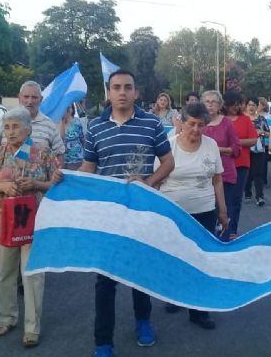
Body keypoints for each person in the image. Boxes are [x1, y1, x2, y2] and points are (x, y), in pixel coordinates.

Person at [80, 69, 175, 357]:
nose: (122, 92)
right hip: (108, 215)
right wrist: (67, 182)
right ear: (108, 92)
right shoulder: (95, 128)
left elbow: (168, 162)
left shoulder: (152, 124)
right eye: (116, 87)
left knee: (139, 270)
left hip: (140, 212)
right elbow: (88, 169)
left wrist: (147, 183)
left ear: (136, 92)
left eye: (128, 87)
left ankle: (143, 321)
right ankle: (103, 341)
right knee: (104, 279)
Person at [0, 106, 61, 348]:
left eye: (15, 127)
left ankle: (32, 327)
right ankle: (7, 317)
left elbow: (56, 185)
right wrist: (2, 187)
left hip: (33, 224)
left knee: (32, 275)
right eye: (6, 127)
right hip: (3, 223)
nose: (10, 132)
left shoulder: (43, 154)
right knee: (5, 272)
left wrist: (36, 183)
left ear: (28, 129)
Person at [154, 102, 229, 330]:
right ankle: (176, 296)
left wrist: (223, 211)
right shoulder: (169, 146)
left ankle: (199, 311)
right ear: (182, 123)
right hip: (173, 211)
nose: (196, 129)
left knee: (201, 260)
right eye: (191, 124)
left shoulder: (211, 145)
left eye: (201, 125)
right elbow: (156, 180)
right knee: (176, 256)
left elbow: (217, 180)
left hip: (205, 211)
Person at [0, 80, 65, 164]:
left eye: (34, 97)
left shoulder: (49, 125)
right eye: (26, 97)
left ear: (40, 99)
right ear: (19, 97)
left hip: (39, 176)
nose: (30, 101)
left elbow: (59, 154)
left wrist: (54, 174)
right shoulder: (3, 122)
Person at [201, 90, 240, 240]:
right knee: (206, 214)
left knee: (224, 212)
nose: (210, 105)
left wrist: (216, 149)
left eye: (214, 102)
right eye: (207, 102)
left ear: (220, 105)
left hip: (225, 175)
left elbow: (236, 148)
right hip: (202, 176)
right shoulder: (197, 123)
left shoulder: (226, 122)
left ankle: (224, 244)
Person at [223, 91, 257, 237]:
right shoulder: (221, 119)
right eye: (233, 104)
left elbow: (253, 140)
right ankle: (220, 227)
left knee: (236, 198)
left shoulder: (245, 120)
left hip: (241, 164)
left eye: (238, 104)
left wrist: (235, 144)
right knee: (222, 198)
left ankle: (232, 230)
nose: (236, 107)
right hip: (222, 164)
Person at [244, 96, 270, 206]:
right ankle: (247, 193)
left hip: (259, 149)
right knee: (247, 172)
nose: (251, 107)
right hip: (245, 149)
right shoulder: (243, 119)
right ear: (246, 106)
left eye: (254, 105)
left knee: (258, 173)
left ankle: (260, 196)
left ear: (257, 106)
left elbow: (268, 133)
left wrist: (261, 132)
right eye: (249, 105)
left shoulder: (261, 119)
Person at [59, 104, 84, 170]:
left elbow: (82, 139)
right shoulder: (57, 122)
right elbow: (61, 139)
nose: (68, 110)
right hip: (61, 160)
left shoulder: (77, 122)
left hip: (77, 159)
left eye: (69, 107)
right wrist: (62, 120)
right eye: (65, 108)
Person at [258, 97, 271, 186]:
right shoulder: (252, 115)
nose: (257, 106)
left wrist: (262, 132)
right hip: (254, 142)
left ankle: (264, 180)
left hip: (265, 142)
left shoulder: (268, 117)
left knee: (263, 162)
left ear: (263, 106)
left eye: (259, 104)